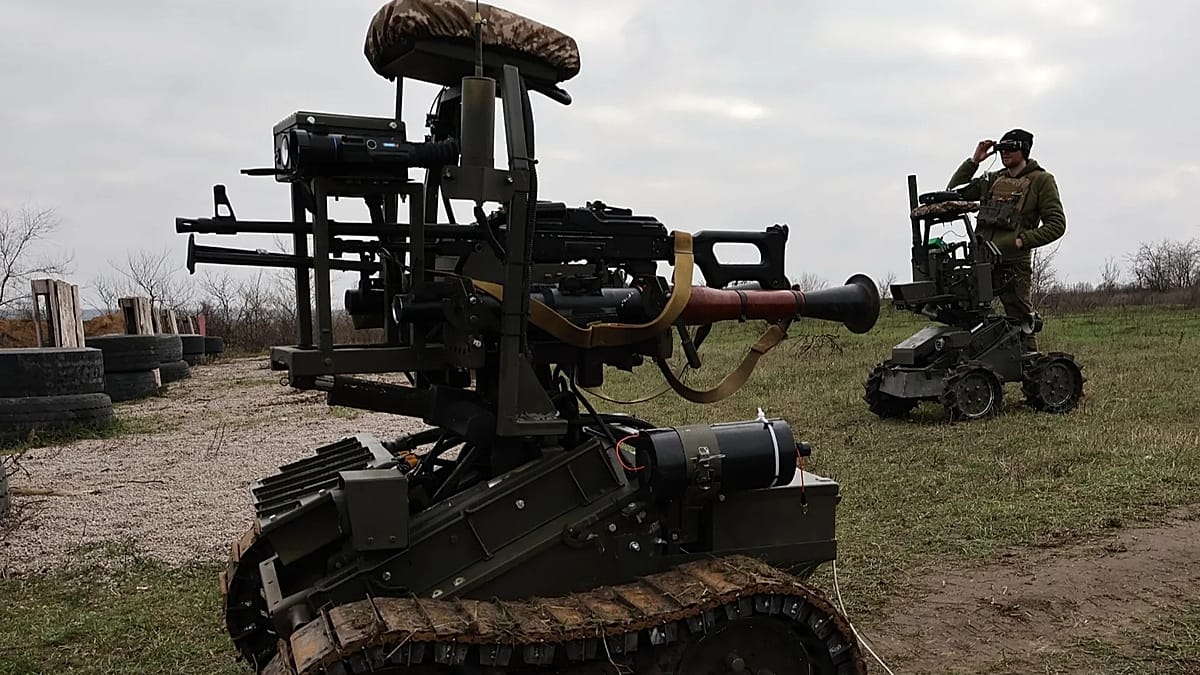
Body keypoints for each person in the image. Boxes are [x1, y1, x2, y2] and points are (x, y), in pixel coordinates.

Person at [946, 128, 1066, 352]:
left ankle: (1029, 365)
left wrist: (1022, 241)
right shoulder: (993, 179)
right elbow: (953, 191)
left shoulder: (1041, 180)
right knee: (967, 317)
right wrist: (974, 161)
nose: (1004, 153)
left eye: (1011, 148)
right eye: (1001, 148)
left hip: (1013, 264)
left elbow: (1057, 224)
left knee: (1021, 322)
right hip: (982, 261)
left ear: (1024, 150)